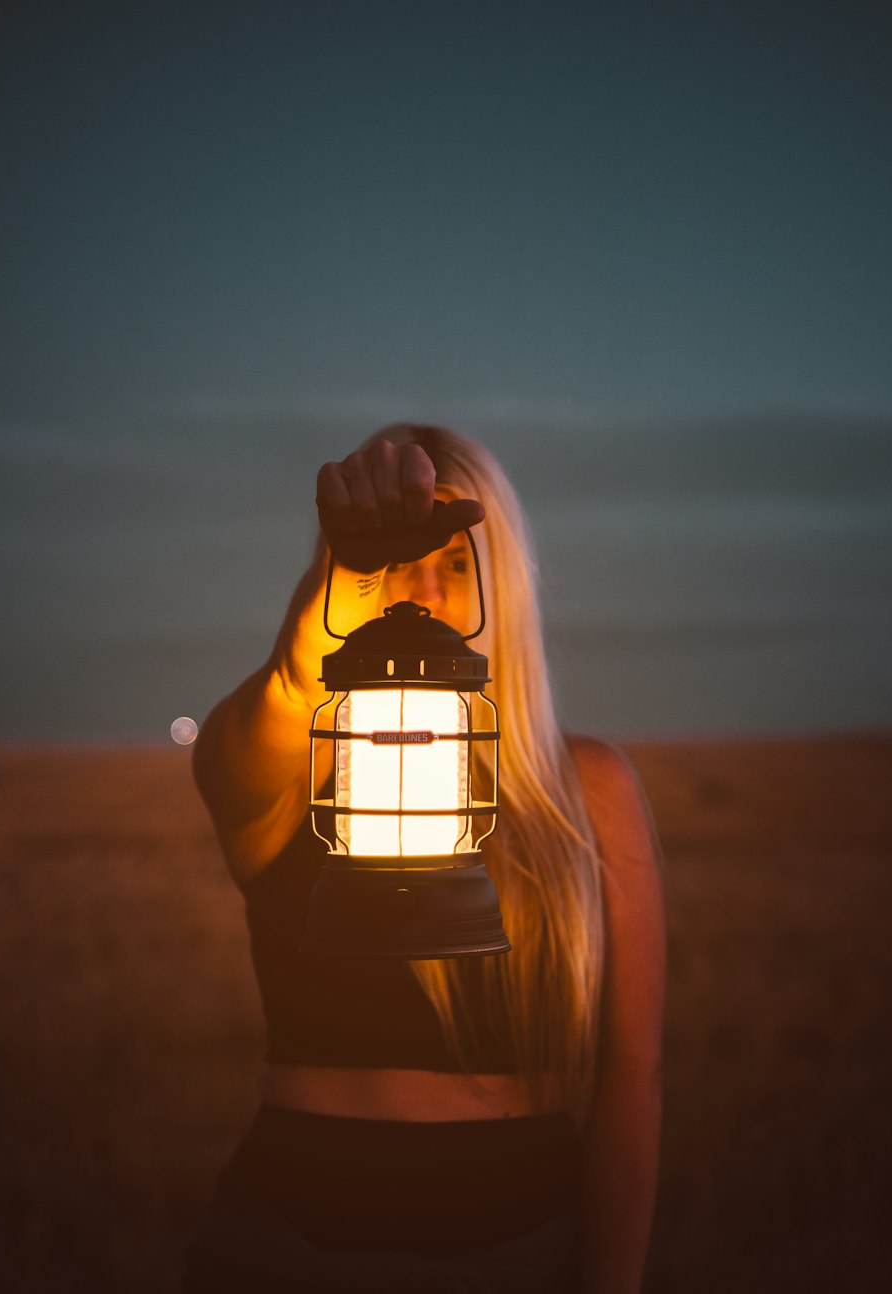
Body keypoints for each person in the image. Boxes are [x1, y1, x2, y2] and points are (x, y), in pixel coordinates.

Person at [184, 424, 665, 1293]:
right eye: (401, 564)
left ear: (502, 587)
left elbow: (633, 1084)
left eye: (454, 564)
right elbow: (293, 691)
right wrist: (346, 568)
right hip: (286, 1247)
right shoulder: (295, 772)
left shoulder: (586, 794)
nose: (427, 597)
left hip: (521, 1248)